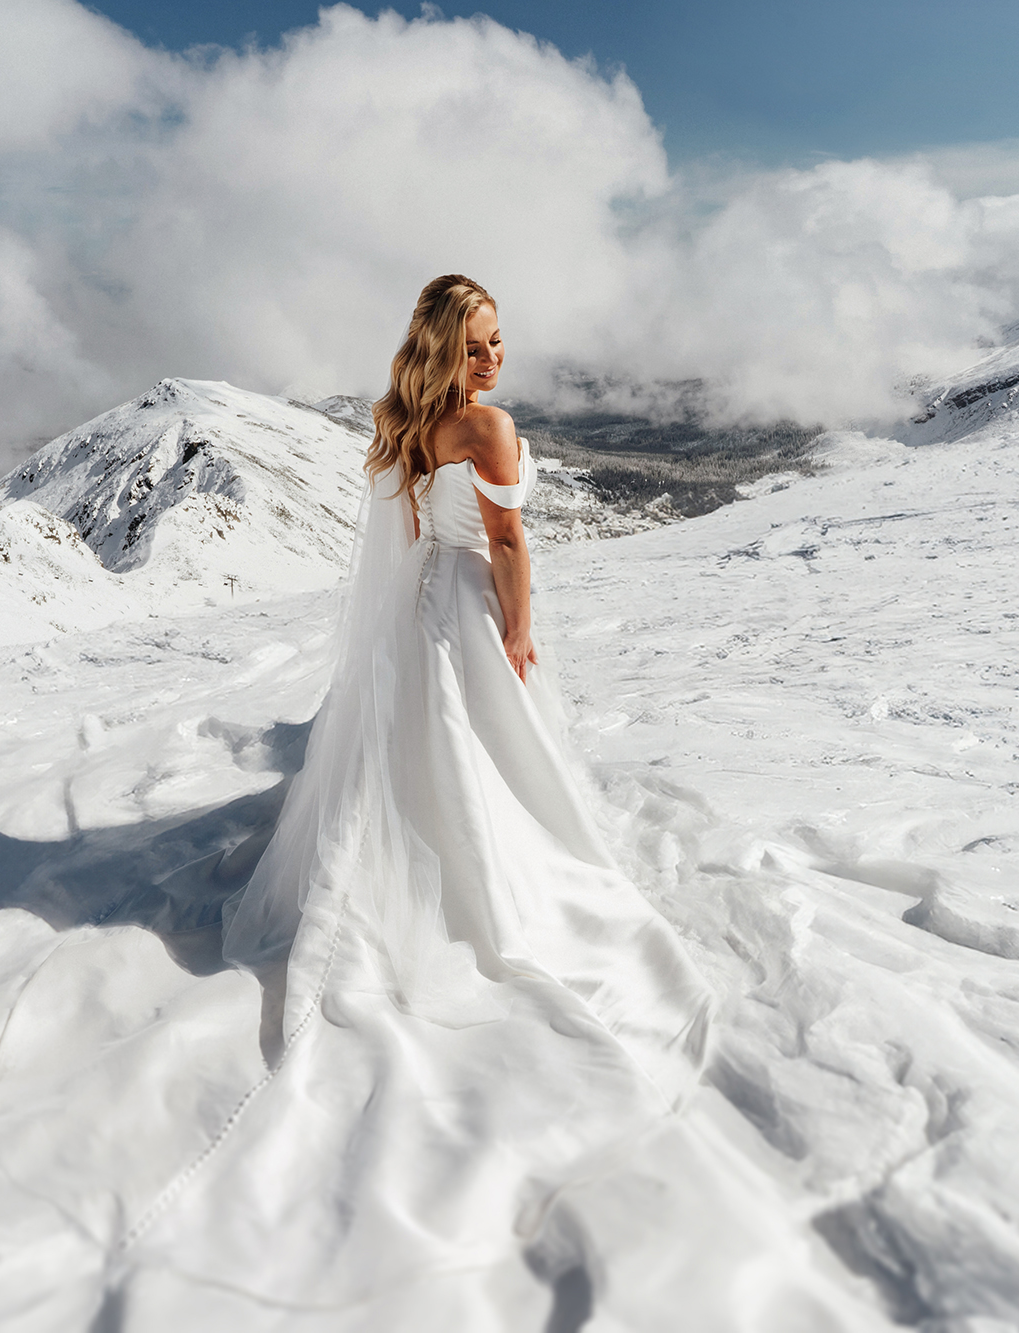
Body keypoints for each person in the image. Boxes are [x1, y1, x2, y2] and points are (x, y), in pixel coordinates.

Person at [140, 275, 714, 1313]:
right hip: (464, 604)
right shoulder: (483, 428)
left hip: (413, 613)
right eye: (479, 341)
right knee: (485, 747)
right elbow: (505, 542)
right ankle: (480, 877)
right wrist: (518, 629)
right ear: (447, 345)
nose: (495, 357)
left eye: (499, 340)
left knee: (422, 747)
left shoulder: (403, 418)